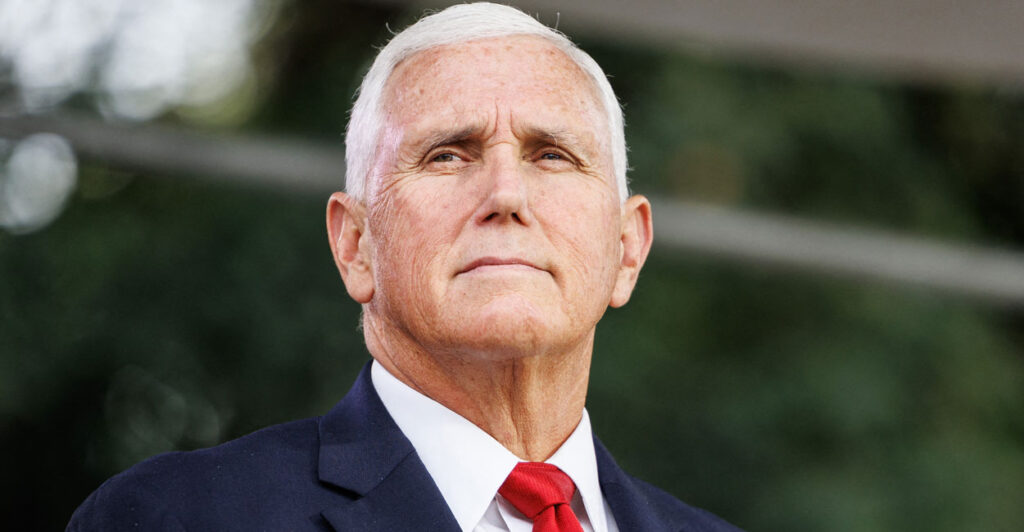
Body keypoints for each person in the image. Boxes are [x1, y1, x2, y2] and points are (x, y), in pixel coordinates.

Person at [67, 3, 742, 531]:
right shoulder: (179, 519)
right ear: (355, 245)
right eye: (448, 154)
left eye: (552, 156)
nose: (506, 195)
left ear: (627, 248)